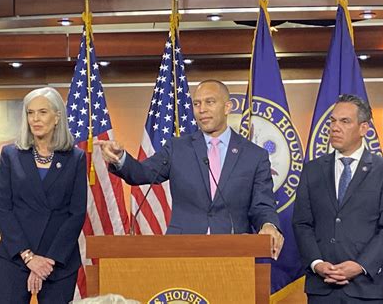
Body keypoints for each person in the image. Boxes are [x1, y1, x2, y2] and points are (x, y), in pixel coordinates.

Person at [96, 79, 284, 259]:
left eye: (210, 102)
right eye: (197, 104)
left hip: (234, 252)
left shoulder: (254, 155)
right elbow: (140, 173)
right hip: (181, 250)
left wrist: (269, 225)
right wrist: (120, 158)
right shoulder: (177, 148)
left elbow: (262, 204)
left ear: (228, 107)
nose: (202, 110)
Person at [293, 94, 383, 304]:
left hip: (367, 289)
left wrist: (360, 265)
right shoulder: (312, 170)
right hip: (322, 289)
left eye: (345, 121)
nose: (335, 127)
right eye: (332, 121)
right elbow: (301, 223)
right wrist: (317, 264)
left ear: (363, 128)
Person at [0, 87, 87, 303]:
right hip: (15, 257)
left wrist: (47, 261)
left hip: (57, 260)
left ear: (57, 117)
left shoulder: (75, 158)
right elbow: (3, 208)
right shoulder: (11, 155)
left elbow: (76, 213)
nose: (35, 119)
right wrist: (28, 258)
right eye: (30, 112)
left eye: (43, 112)